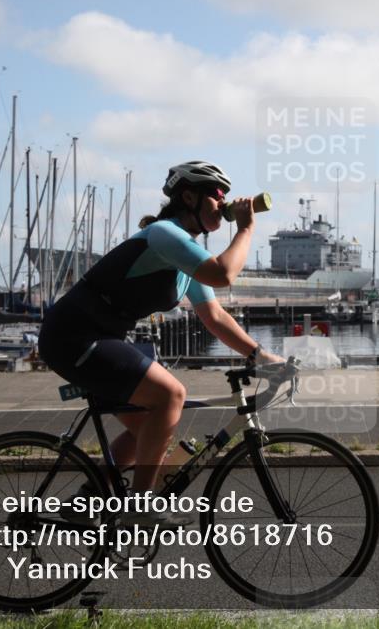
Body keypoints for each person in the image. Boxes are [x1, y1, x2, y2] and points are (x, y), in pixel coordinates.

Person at [37, 161, 285, 526]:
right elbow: (223, 274)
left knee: (149, 432)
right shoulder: (164, 235)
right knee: (171, 395)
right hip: (74, 334)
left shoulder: (183, 253)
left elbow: (214, 317)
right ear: (189, 197)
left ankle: (83, 505)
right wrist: (247, 227)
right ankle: (139, 508)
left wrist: (261, 355)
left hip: (102, 336)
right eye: (218, 197)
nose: (224, 204)